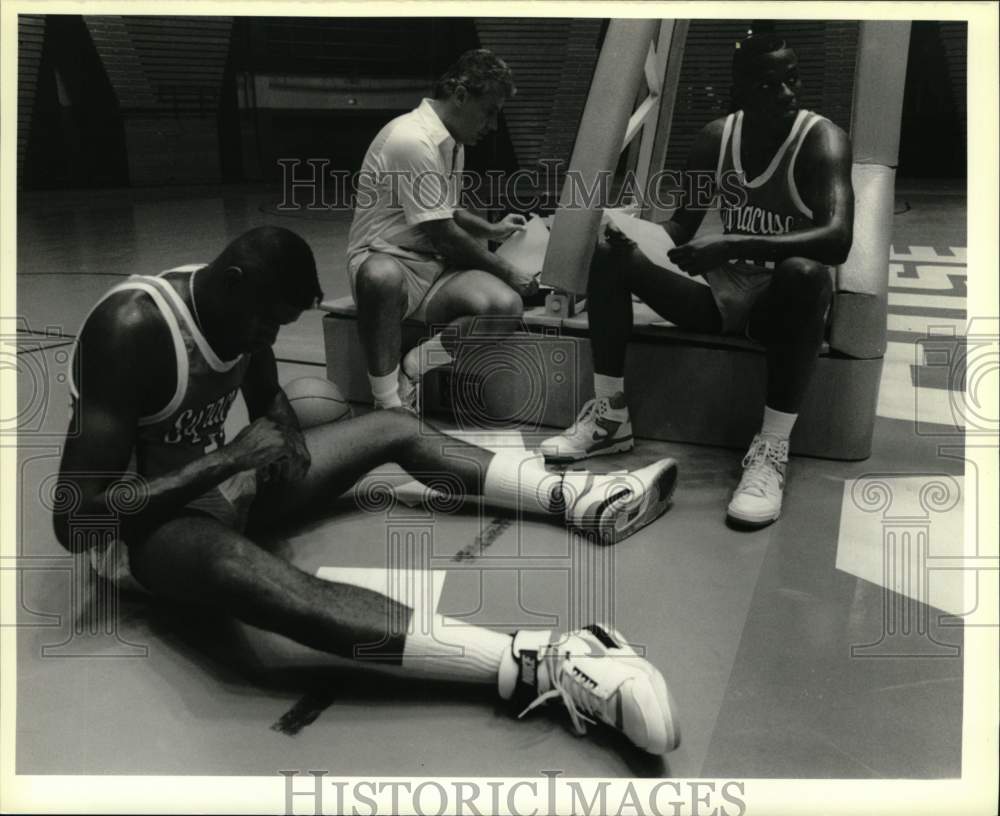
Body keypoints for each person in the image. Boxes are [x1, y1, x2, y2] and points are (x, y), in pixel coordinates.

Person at [53, 226, 681, 755]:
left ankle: (577, 500)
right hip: (140, 534)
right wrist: (228, 462)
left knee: (391, 425)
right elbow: (74, 521)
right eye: (268, 324)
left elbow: (266, 393)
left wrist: (288, 437)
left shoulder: (234, 302)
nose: (272, 339)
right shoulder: (130, 330)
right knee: (241, 571)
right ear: (234, 283)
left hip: (221, 482)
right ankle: (540, 663)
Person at [542, 34, 854, 529]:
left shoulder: (822, 139)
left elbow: (837, 240)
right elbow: (681, 227)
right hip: (723, 294)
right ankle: (610, 416)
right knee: (610, 250)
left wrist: (733, 244)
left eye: (792, 80)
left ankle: (772, 447)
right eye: (770, 84)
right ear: (742, 91)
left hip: (784, 305)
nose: (788, 93)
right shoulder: (716, 137)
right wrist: (634, 235)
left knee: (805, 272)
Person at [347, 48, 539, 411]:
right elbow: (443, 234)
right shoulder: (411, 140)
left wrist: (492, 229)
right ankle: (388, 405)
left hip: (432, 269)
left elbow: (444, 209)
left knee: (505, 306)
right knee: (381, 275)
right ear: (461, 95)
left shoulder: (453, 141)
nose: (493, 125)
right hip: (387, 264)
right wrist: (509, 270)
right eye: (490, 112)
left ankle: (417, 365)